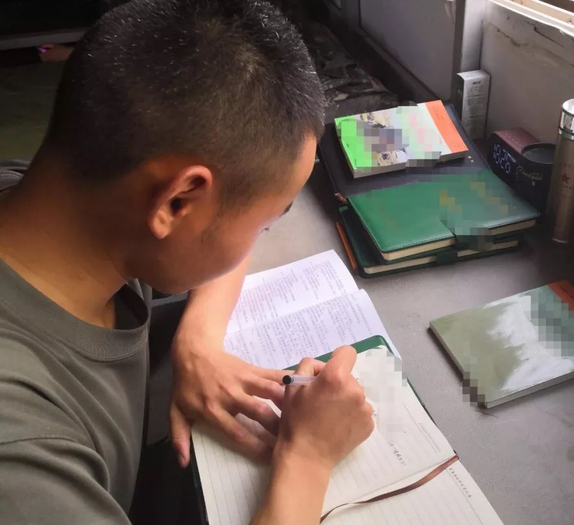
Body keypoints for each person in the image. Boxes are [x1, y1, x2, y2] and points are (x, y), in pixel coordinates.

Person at [0, 1, 374, 524]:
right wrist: (308, 457)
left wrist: (196, 344)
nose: (258, 239)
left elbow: (218, 241)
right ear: (177, 203)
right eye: (264, 224)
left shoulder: (51, 195)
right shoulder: (22, 460)